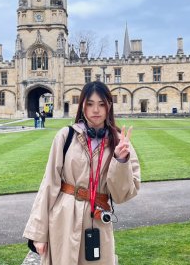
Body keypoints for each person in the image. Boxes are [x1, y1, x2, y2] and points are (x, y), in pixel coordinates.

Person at [23, 81, 140, 264]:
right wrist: (38, 233)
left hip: (97, 219)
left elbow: (122, 194)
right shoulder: (66, 135)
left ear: (109, 106)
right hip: (64, 218)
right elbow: (49, 184)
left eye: (102, 104)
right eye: (90, 104)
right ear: (82, 105)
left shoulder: (120, 142)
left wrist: (120, 160)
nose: (96, 110)